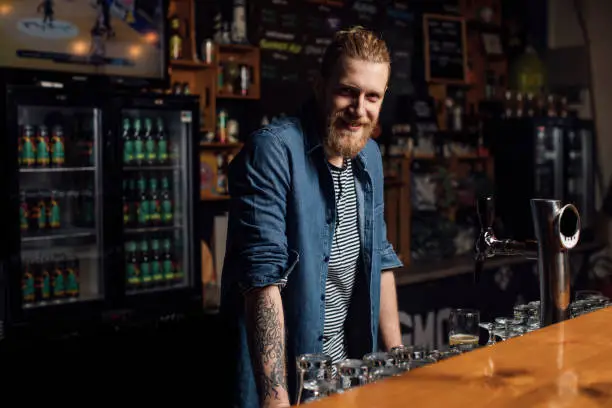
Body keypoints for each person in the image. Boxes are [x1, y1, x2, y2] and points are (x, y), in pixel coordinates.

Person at [220, 26, 404, 408]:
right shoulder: (272, 151)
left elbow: (381, 259)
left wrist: (397, 360)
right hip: (287, 384)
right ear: (319, 85)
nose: (359, 110)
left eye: (373, 96)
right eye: (347, 91)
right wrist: (276, 400)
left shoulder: (370, 156)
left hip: (348, 379)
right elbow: (262, 282)